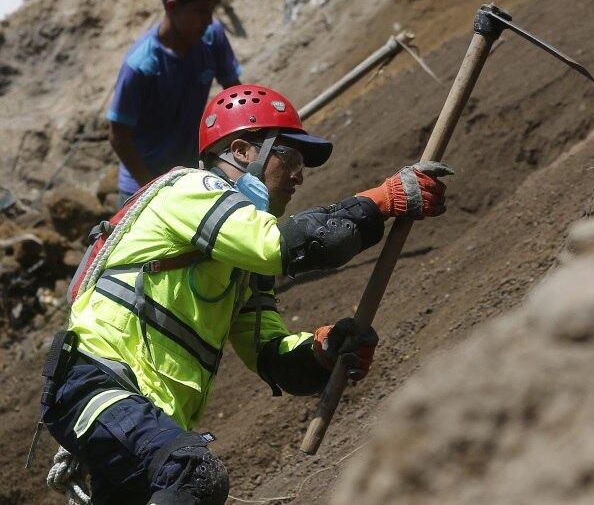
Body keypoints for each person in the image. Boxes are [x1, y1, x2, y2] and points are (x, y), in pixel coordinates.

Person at [40, 84, 452, 504]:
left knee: (180, 479)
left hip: (143, 411)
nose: (298, 175)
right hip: (98, 384)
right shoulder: (189, 190)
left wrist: (323, 350)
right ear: (241, 151)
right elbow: (283, 245)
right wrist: (382, 200)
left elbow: (269, 353)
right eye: (289, 155)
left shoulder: (239, 260)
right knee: (192, 474)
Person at [107, 0, 242, 207]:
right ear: (173, 7)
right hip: (141, 189)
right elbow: (118, 136)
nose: (209, 19)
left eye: (212, 10)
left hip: (189, 178)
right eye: (201, 11)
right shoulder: (141, 66)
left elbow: (234, 93)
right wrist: (151, 187)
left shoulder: (212, 38)